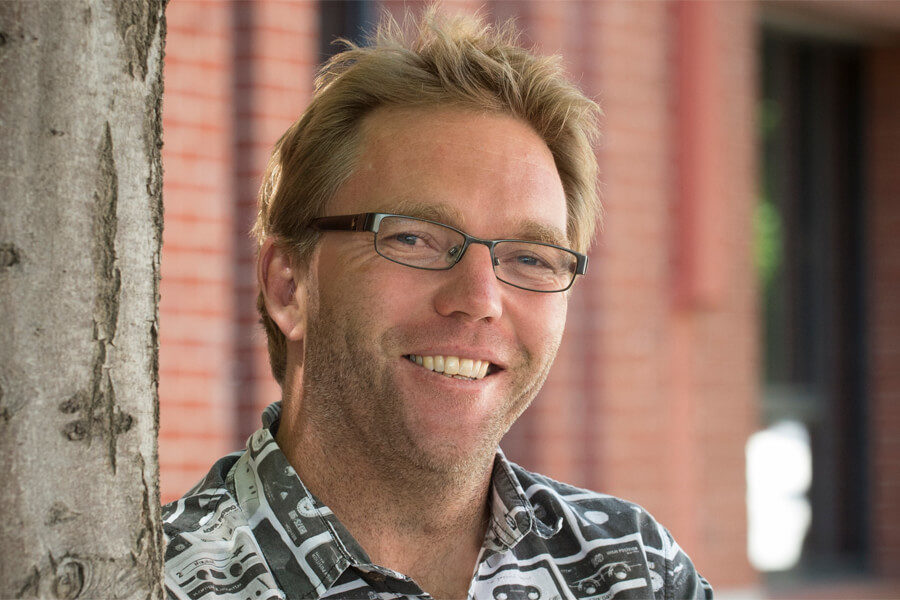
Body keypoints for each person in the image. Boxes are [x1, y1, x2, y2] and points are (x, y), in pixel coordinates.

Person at [162, 9, 713, 600]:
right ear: (288, 286)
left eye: (529, 257)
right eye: (413, 238)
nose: (479, 300)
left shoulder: (634, 573)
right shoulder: (149, 580)